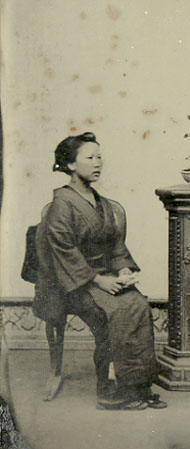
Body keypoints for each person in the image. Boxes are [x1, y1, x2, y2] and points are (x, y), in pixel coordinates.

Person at [32, 132, 167, 410]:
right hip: (72, 285)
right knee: (112, 313)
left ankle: (138, 384)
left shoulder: (102, 203)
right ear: (70, 165)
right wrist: (97, 280)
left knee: (138, 304)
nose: (98, 163)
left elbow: (115, 244)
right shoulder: (61, 204)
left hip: (104, 278)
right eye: (89, 158)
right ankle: (109, 389)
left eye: (99, 157)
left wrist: (125, 270)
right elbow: (63, 252)